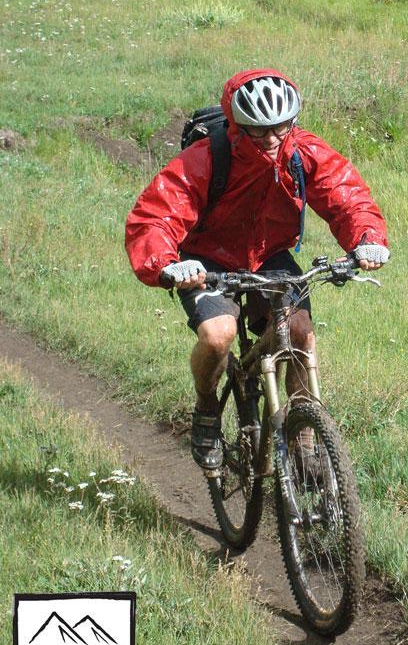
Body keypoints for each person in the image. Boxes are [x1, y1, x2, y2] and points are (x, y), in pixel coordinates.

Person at [125, 69, 389, 470]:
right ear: (236, 126)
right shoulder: (206, 158)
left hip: (269, 255)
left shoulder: (302, 152)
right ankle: (207, 407)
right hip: (206, 260)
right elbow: (156, 217)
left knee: (300, 333)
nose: (270, 139)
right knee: (218, 336)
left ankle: (303, 434)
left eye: (280, 128)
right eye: (257, 130)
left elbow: (346, 196)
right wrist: (167, 265)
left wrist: (366, 238)